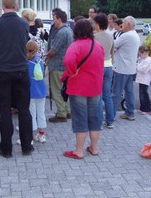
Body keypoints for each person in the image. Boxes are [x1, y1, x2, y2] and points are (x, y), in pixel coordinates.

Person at [0, 0, 34, 158]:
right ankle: (27, 146)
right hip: (21, 69)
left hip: (3, 70)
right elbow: (23, 41)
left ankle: (6, 149)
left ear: (2, 6)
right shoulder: (23, 23)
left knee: (4, 110)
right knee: (24, 109)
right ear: (16, 6)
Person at [61, 19, 104, 159]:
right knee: (94, 118)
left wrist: (72, 72)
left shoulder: (76, 46)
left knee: (80, 118)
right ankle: (94, 148)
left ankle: (78, 151)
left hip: (78, 86)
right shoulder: (97, 45)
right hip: (95, 86)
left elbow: (68, 61)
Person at [45, 10, 74, 123]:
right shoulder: (69, 30)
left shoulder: (61, 32)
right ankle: (67, 110)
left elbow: (54, 50)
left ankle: (61, 114)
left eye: (54, 18)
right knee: (64, 90)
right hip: (65, 65)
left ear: (59, 19)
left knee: (56, 90)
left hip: (57, 65)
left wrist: (46, 56)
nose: (53, 21)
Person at [111, 16, 140, 122]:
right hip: (130, 68)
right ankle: (130, 112)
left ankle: (111, 115)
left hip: (121, 68)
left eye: (123, 22)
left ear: (128, 24)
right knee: (129, 92)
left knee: (116, 92)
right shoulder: (134, 34)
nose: (122, 24)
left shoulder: (126, 36)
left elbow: (112, 45)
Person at [93, 13, 115, 129]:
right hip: (109, 65)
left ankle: (99, 121)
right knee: (107, 95)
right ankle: (110, 121)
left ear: (98, 24)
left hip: (98, 67)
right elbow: (112, 52)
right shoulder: (111, 36)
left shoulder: (95, 37)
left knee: (98, 95)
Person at [26, 40, 47, 143]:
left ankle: (30, 137)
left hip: (31, 92)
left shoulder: (27, 63)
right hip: (41, 91)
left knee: (31, 114)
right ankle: (42, 135)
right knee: (41, 113)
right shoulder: (41, 61)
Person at [135, 45, 151, 115]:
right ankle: (143, 107)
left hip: (145, 79)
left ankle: (147, 109)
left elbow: (143, 70)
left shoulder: (148, 61)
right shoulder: (143, 59)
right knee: (142, 93)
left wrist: (137, 66)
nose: (140, 56)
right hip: (141, 79)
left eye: (141, 54)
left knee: (144, 94)